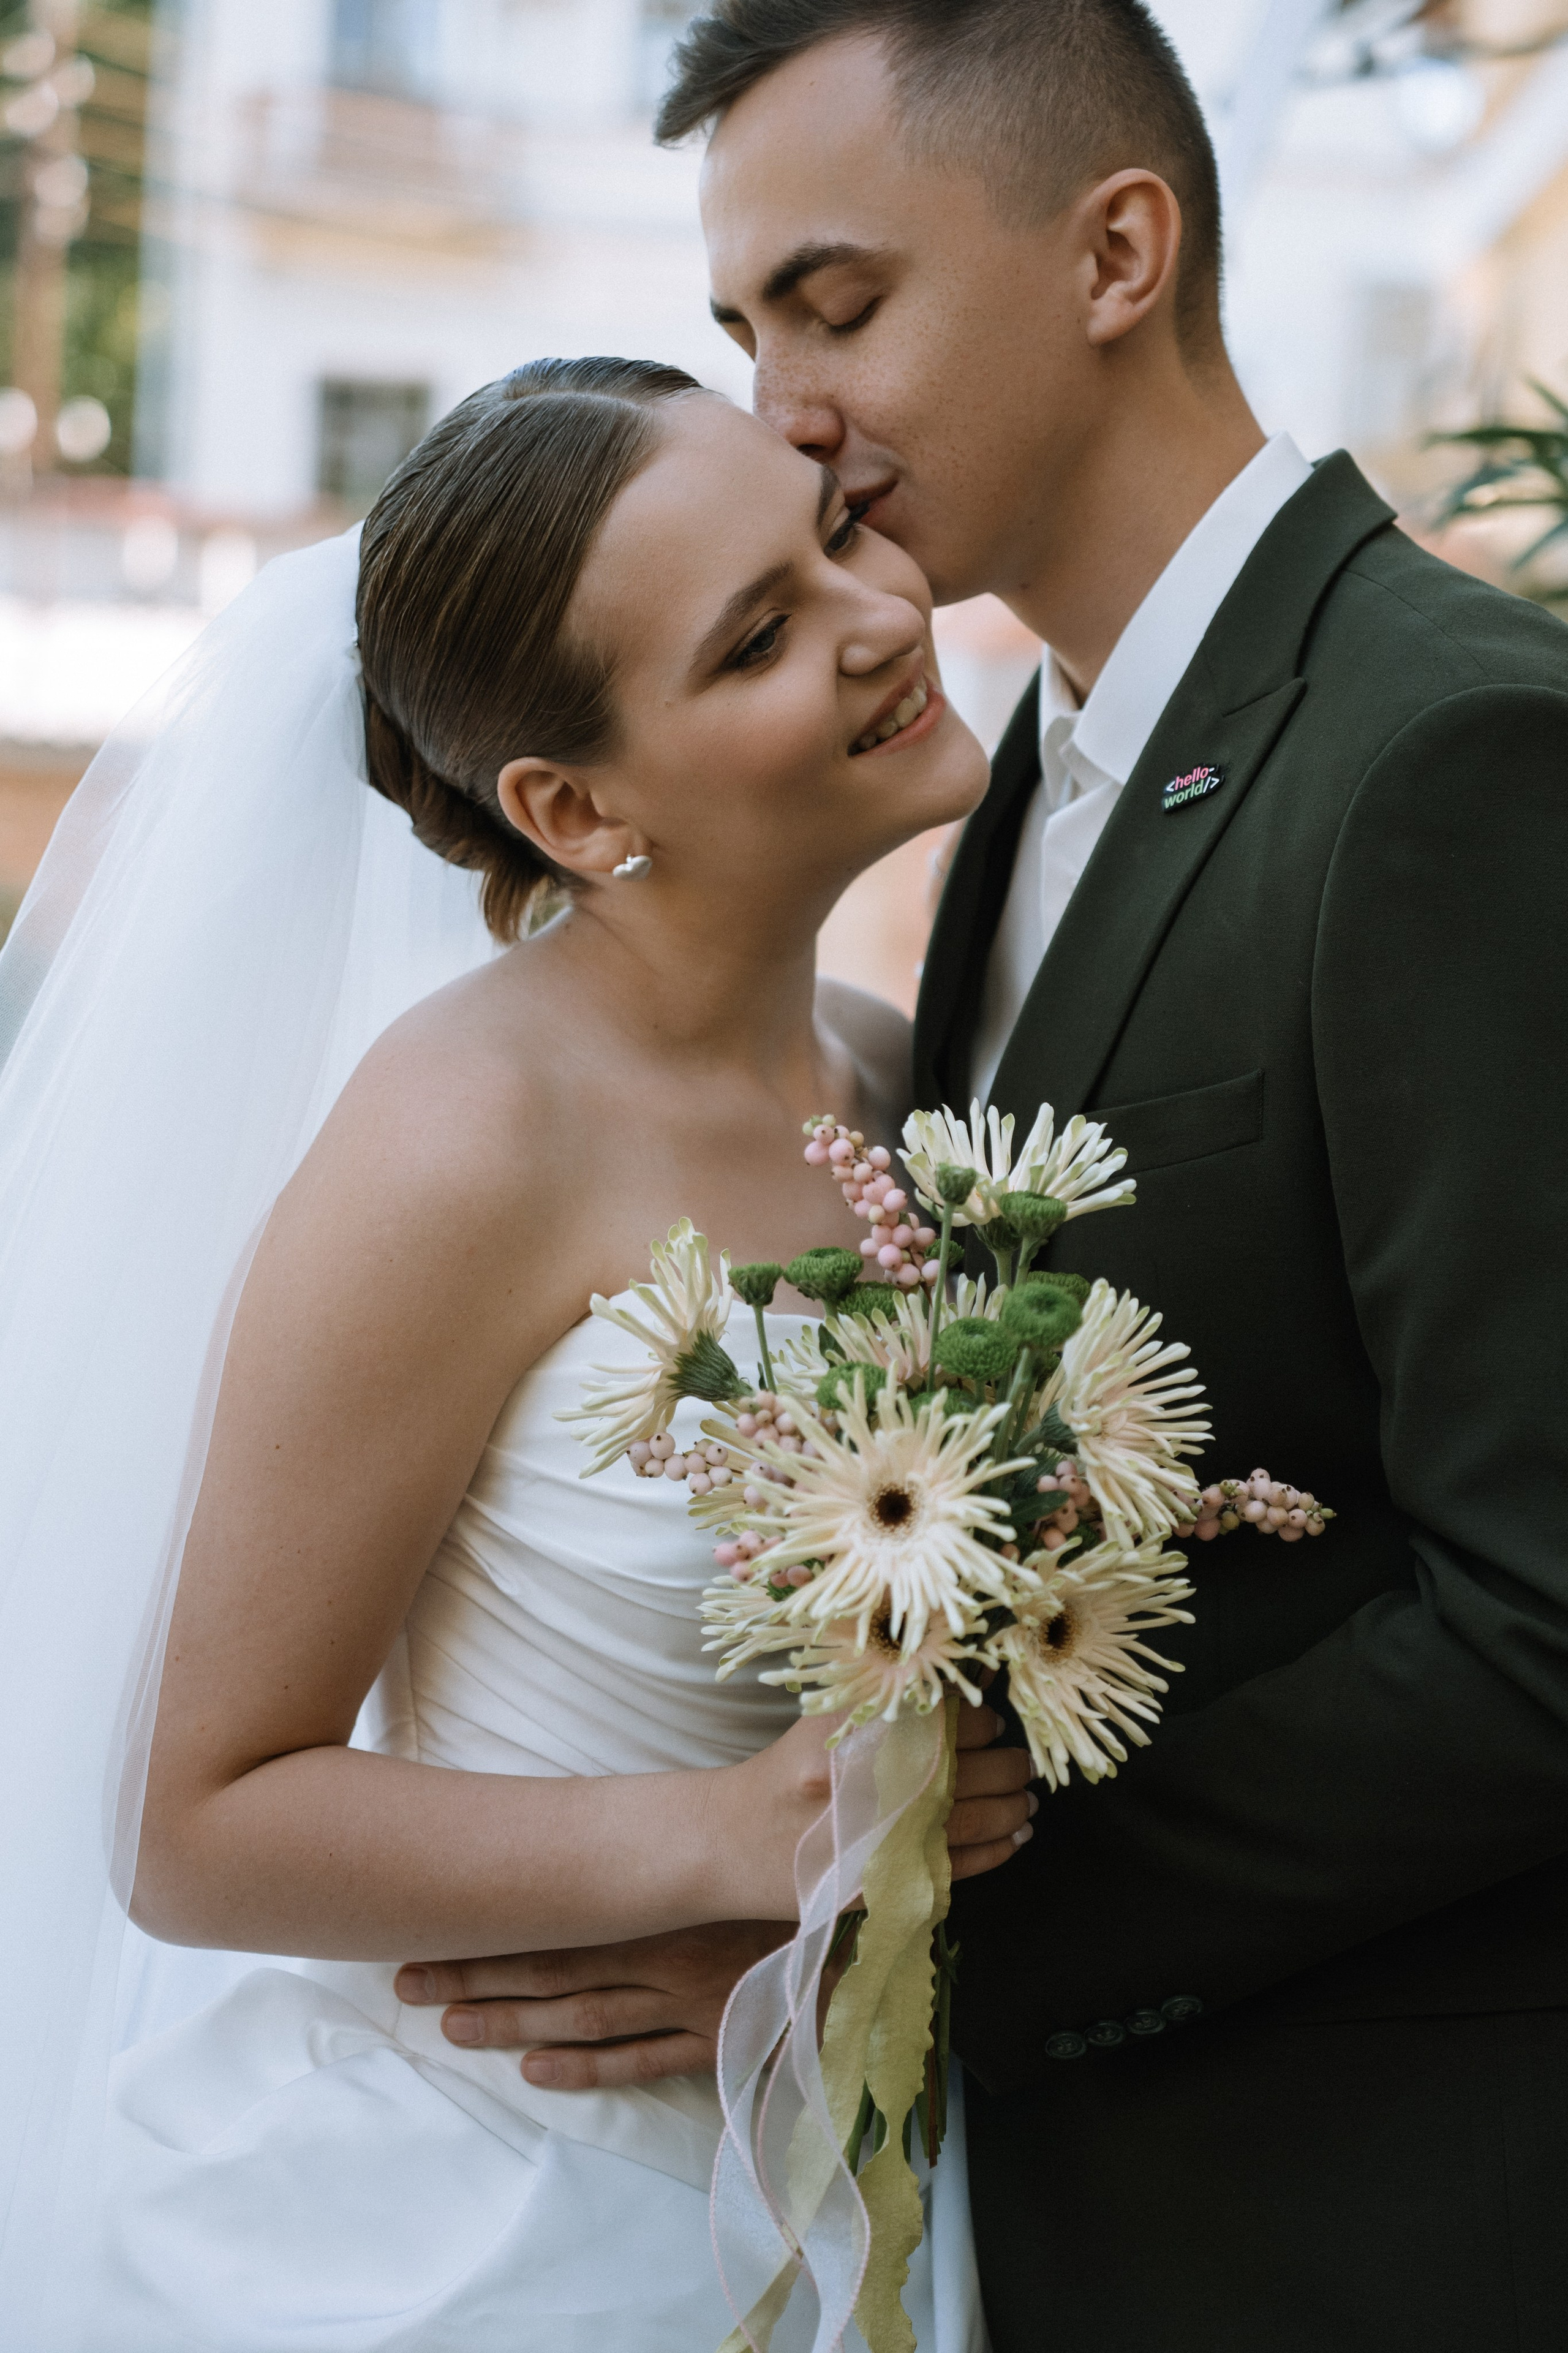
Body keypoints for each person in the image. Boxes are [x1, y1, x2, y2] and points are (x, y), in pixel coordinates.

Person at [419, 6, 1568, 2347]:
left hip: (1363, 2220)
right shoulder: (1005, 775)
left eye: (837, 306)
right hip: (1031, 2232)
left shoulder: (1452, 750)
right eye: (744, 332)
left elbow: (1545, 1614)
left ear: (1117, 254)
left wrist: (899, 1939)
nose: (780, 414)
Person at [0, 357, 1035, 2349]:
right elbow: (189, 1817)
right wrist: (722, 1841)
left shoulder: (897, 1084)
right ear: (575, 808)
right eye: (757, 637)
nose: (877, 617)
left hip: (842, 2177)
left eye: (834, 535)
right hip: (486, 2222)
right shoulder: (469, 1132)